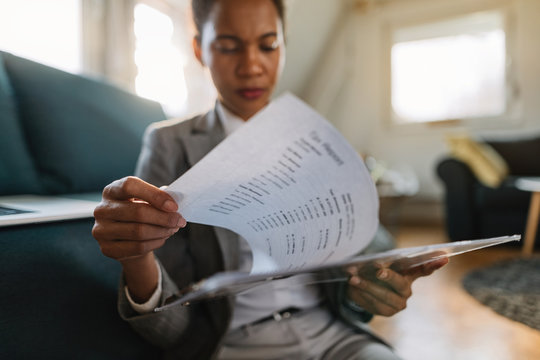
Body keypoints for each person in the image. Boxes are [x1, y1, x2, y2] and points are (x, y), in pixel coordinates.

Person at [92, 0, 447, 358]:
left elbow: (362, 262)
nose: (251, 66)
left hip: (332, 335)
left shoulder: (319, 142)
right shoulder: (169, 145)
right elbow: (170, 322)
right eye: (229, 47)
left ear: (284, 45)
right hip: (232, 344)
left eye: (268, 45)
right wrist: (136, 260)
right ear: (200, 49)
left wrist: (373, 285)